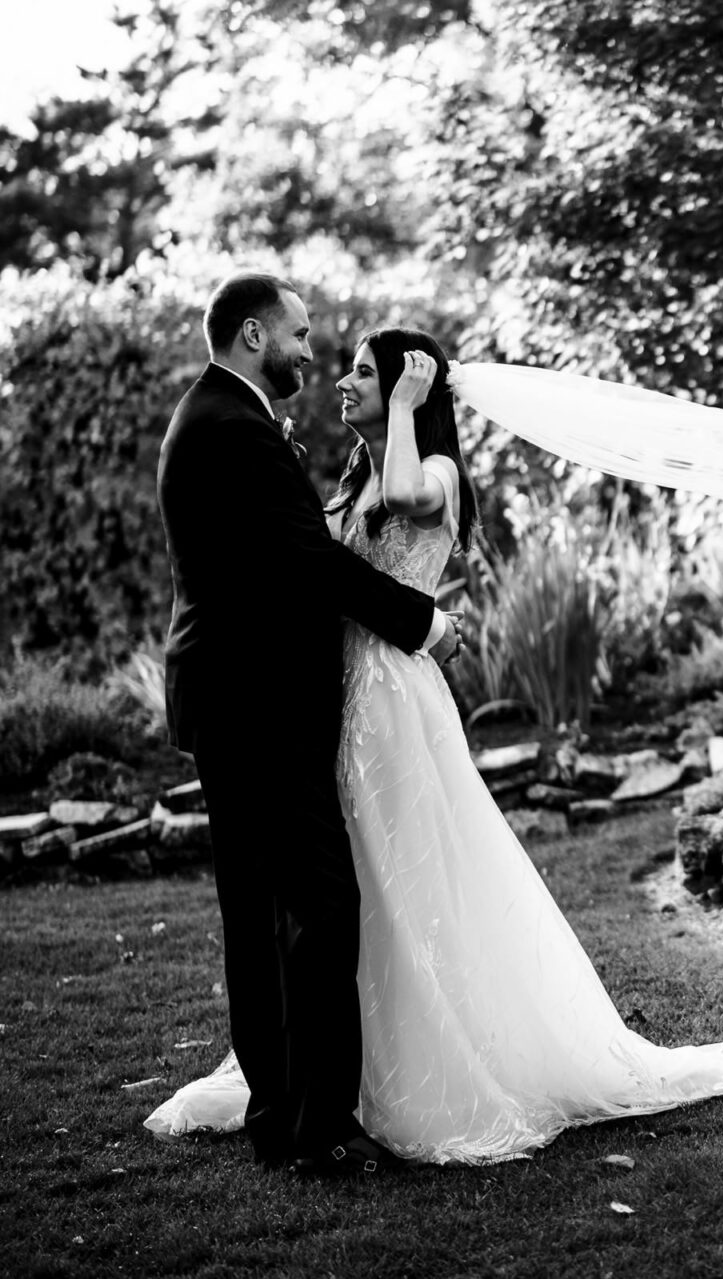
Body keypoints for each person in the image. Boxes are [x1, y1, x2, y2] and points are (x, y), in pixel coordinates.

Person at [150, 327, 723, 1166]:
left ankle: (416, 1070)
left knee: (401, 881)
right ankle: (336, 1080)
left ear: (409, 388)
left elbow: (403, 502)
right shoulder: (352, 471)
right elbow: (310, 562)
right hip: (338, 693)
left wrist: (405, 406)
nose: (340, 379)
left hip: (394, 699)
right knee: (350, 888)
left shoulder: (432, 472)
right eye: (341, 365)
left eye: (365, 371)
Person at [157, 274, 467, 1178]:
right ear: (254, 334)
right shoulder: (233, 426)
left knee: (262, 914)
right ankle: (320, 1128)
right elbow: (305, 560)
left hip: (236, 697)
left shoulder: (216, 415)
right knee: (318, 906)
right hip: (260, 703)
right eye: (299, 333)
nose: (311, 350)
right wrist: (425, 623)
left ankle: (284, 1117)